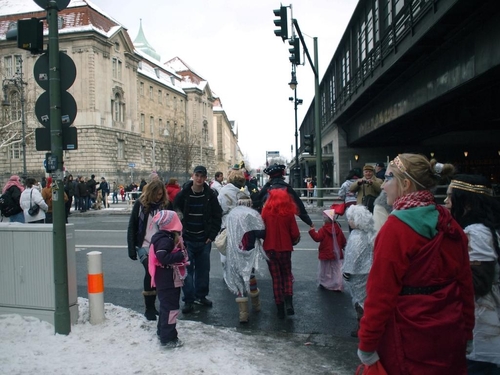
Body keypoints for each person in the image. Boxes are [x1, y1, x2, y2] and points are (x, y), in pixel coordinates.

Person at [357, 154, 475, 374]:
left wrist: (367, 343)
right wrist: (467, 330)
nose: (383, 185)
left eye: (389, 178)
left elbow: (380, 296)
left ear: (405, 184)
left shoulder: (395, 230)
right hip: (450, 331)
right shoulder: (448, 222)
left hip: (409, 336)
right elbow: (465, 283)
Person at [446, 175, 500, 373]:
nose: (446, 202)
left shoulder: (476, 233)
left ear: (466, 202)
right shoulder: (485, 229)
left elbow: (477, 283)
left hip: (483, 334)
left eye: (451, 197)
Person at [173, 165, 222, 314]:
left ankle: (201, 296)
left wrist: (211, 235)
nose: (199, 179)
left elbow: (217, 216)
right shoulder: (184, 194)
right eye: (197, 175)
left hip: (204, 240)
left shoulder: (210, 195)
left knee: (203, 270)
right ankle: (188, 300)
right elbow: (175, 210)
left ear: (206, 178)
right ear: (192, 176)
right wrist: (179, 233)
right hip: (187, 239)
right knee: (187, 272)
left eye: (202, 176)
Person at [218, 169, 264, 323]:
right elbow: (260, 232)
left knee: (238, 279)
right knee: (250, 276)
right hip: (248, 251)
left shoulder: (231, 219)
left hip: (235, 249)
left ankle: (243, 313)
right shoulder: (250, 218)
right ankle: (256, 304)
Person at [127, 179, 172, 321]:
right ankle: (149, 308)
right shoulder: (140, 205)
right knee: (150, 270)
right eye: (156, 194)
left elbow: (173, 224)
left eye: (160, 194)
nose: (158, 197)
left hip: (160, 244)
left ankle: (155, 306)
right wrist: (131, 248)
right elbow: (132, 226)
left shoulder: (165, 205)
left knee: (158, 273)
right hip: (143, 245)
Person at [148, 210, 189, 349]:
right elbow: (162, 257)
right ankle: (168, 337)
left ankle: (162, 331)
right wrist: (180, 256)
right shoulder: (165, 240)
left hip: (165, 279)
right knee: (171, 309)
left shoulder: (163, 236)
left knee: (166, 307)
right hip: (167, 279)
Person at [261, 188, 301, 319]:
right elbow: (294, 233)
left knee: (276, 279)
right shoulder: (289, 213)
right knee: (287, 275)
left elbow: (261, 228)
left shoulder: (266, 212)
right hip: (285, 249)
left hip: (270, 249)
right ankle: (289, 303)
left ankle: (279, 308)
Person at [342, 204, 376, 337]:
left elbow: (353, 256)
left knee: (359, 301)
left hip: (357, 274)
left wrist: (347, 271)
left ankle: (362, 328)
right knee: (366, 299)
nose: (348, 221)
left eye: (350, 219)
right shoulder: (369, 233)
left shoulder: (356, 236)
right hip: (368, 271)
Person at [258, 163, 313, 228]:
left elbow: (258, 202)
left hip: (270, 223)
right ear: (282, 175)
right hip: (285, 221)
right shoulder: (287, 188)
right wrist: (309, 222)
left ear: (270, 177)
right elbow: (298, 206)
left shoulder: (267, 189)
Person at [308, 209, 346, 291]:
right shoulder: (338, 229)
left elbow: (317, 238)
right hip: (337, 253)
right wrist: (343, 246)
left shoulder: (324, 229)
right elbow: (343, 240)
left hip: (326, 253)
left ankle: (325, 282)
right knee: (336, 269)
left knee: (325, 269)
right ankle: (338, 284)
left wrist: (312, 231)